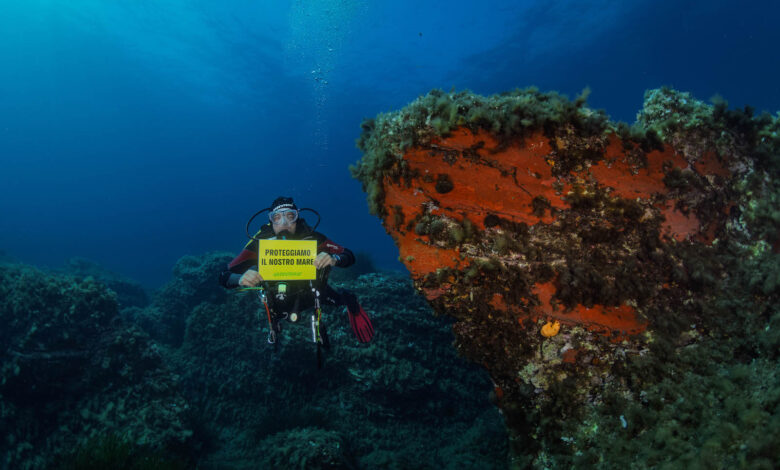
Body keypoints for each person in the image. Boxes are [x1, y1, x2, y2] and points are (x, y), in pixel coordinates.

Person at [219, 196, 374, 344]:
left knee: (340, 299)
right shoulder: (259, 242)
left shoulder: (311, 237)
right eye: (277, 217)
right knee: (277, 319)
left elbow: (348, 255)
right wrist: (240, 279)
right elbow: (224, 275)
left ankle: (350, 301)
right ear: (270, 221)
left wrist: (334, 259)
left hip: (312, 293)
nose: (284, 223)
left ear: (297, 218)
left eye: (290, 216)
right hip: (276, 300)